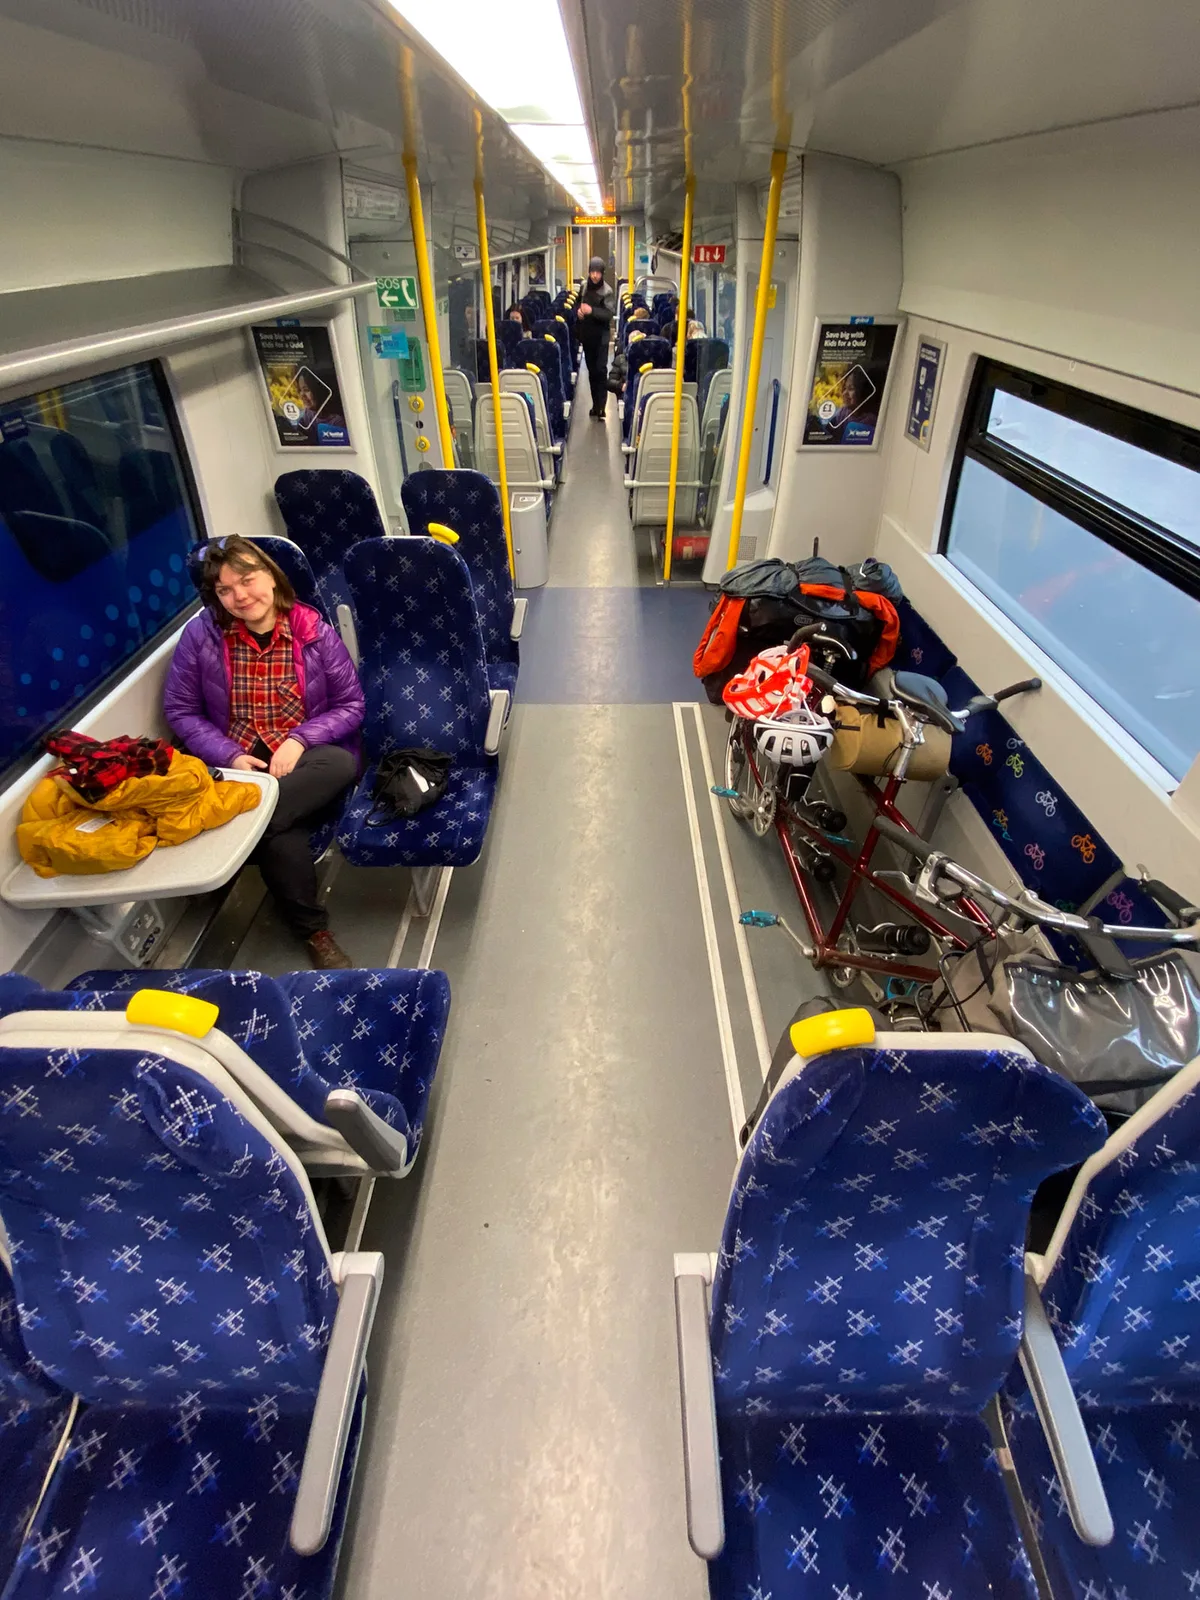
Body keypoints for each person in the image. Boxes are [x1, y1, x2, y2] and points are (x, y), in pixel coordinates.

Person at [163, 536, 364, 969]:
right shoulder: (202, 635)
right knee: (280, 834)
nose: (240, 596)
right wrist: (230, 755)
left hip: (303, 758)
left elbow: (352, 706)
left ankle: (238, 830)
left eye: (247, 581)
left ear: (271, 578)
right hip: (240, 760)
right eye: (225, 590)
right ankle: (314, 931)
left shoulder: (315, 633)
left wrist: (300, 739)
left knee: (341, 762)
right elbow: (180, 710)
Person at [576, 257, 615, 418]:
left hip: (602, 337)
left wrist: (591, 311)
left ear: (602, 273)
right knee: (592, 372)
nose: (594, 276)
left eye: (597, 273)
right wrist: (578, 312)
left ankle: (602, 407)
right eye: (592, 272)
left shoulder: (607, 291)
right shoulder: (584, 287)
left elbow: (609, 314)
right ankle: (595, 405)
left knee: (601, 370)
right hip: (588, 335)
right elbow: (578, 305)